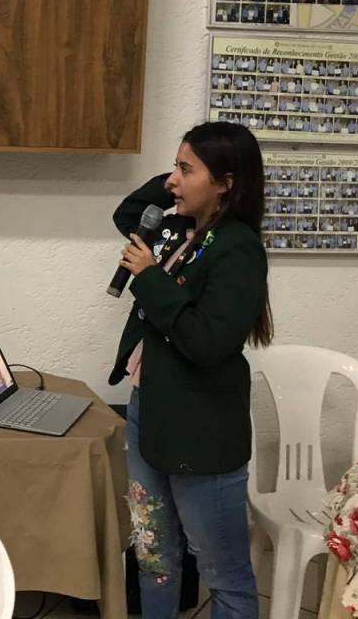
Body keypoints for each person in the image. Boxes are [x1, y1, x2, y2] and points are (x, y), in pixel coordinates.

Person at [109, 122, 273, 618]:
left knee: (223, 575)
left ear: (225, 183)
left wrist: (149, 278)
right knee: (154, 557)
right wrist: (178, 182)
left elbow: (206, 342)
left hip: (200, 432)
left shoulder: (238, 248)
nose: (173, 181)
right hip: (150, 410)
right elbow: (129, 212)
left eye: (186, 169)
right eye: (174, 167)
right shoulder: (181, 229)